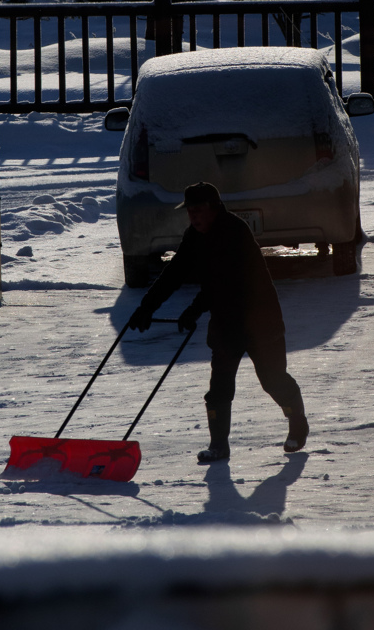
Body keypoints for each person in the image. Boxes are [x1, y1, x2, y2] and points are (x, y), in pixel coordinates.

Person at [129, 181, 309, 463]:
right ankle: (218, 446)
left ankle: (298, 422)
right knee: (219, 387)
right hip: (226, 322)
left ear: (214, 209)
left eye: (199, 210)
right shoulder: (195, 236)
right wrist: (146, 308)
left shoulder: (234, 232)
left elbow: (225, 283)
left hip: (260, 319)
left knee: (273, 380)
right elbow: (174, 272)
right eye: (190, 211)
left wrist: (194, 309)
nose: (194, 216)